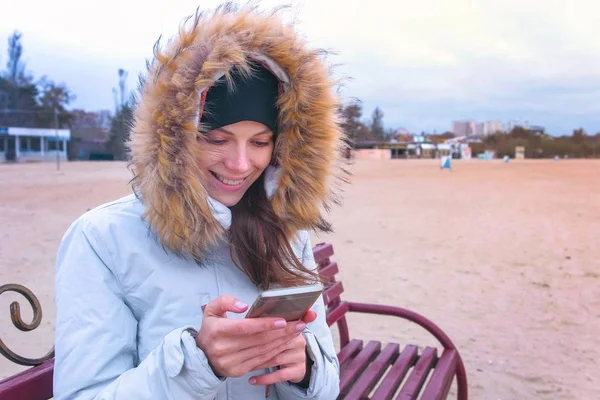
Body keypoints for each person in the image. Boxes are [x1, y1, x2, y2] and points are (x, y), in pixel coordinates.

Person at [53, 4, 347, 400]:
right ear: (174, 140)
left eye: (260, 142)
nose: (241, 164)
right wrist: (198, 363)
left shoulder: (287, 231)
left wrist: (305, 369)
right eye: (216, 139)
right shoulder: (103, 239)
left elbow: (326, 388)